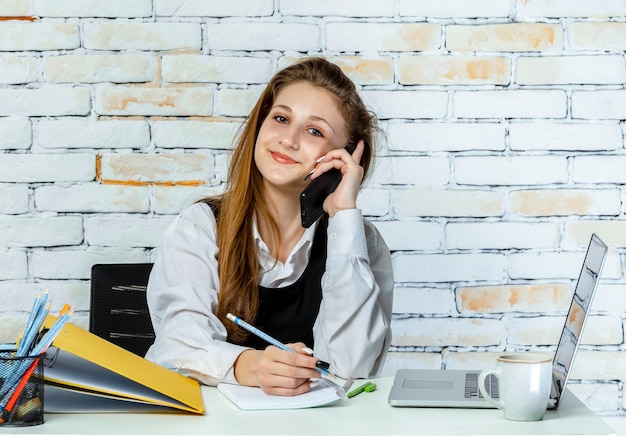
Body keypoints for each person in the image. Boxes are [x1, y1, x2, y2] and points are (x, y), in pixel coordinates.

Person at [145, 57, 393, 396]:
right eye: (281, 118)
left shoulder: (360, 240)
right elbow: (176, 347)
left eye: (314, 130)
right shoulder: (200, 227)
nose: (288, 140)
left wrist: (343, 216)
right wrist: (250, 365)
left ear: (344, 158)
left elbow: (350, 370)